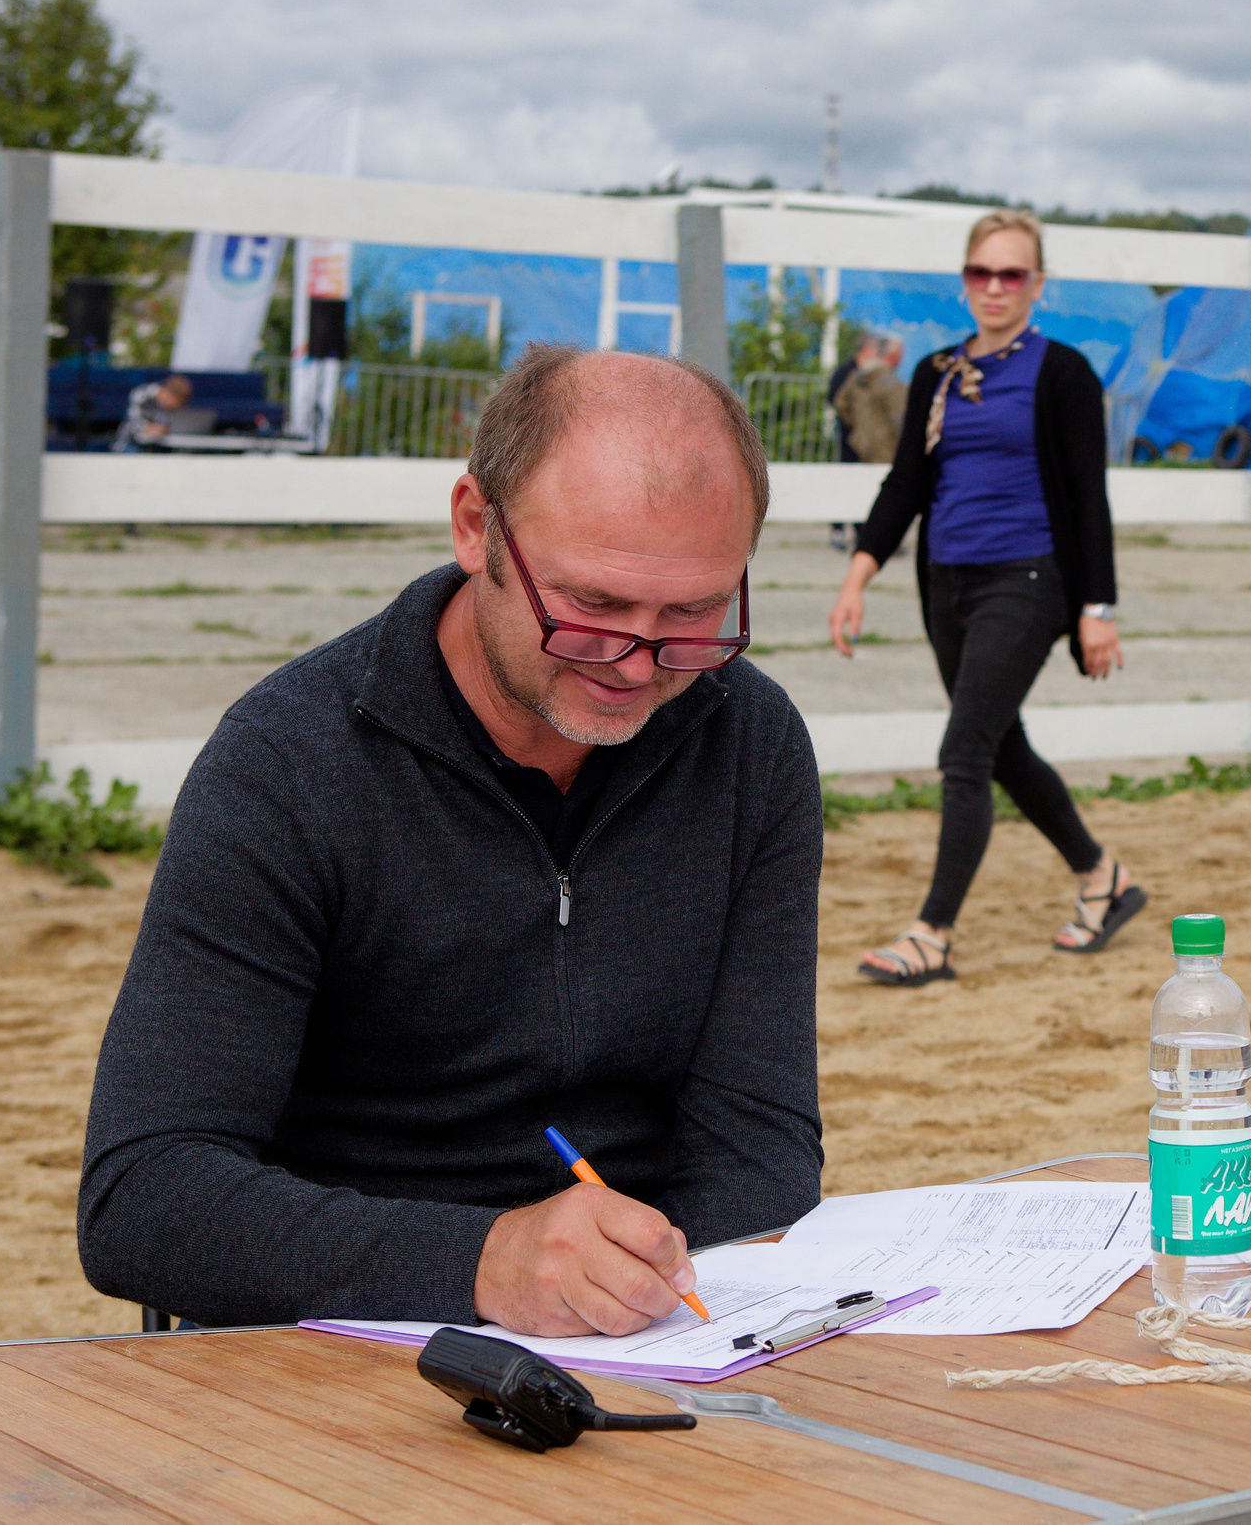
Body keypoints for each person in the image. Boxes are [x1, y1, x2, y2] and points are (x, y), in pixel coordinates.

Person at [79, 345, 824, 1333]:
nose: (639, 664)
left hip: (650, 1330)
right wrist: (483, 1261)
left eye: (692, 613)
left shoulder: (748, 742)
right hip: (329, 1339)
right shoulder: (289, 762)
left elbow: (756, 1142)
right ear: (476, 526)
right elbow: (142, 1197)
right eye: (592, 607)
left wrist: (709, 1335)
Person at [827, 209, 1146, 985]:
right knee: (1001, 746)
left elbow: (1087, 498)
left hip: (1029, 580)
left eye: (1013, 273)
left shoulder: (1064, 373)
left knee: (963, 749)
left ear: (1038, 283)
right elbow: (907, 483)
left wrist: (1096, 608)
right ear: (964, 279)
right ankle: (1103, 879)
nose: (996, 287)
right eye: (982, 272)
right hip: (945, 583)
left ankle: (932, 933)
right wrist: (858, 574)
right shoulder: (936, 371)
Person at [828, 332, 907, 549]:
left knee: (855, 490)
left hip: (857, 443)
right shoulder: (889, 381)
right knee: (885, 495)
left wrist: (857, 429)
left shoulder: (857, 376)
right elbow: (901, 415)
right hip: (885, 448)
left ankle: (860, 537)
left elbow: (840, 403)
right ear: (892, 355)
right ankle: (881, 541)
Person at [111, 372, 192, 451]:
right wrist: (151, 428)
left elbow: (166, 428)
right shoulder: (142, 394)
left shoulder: (168, 408)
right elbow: (134, 423)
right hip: (128, 443)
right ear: (169, 394)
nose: (174, 407)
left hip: (155, 445)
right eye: (175, 403)